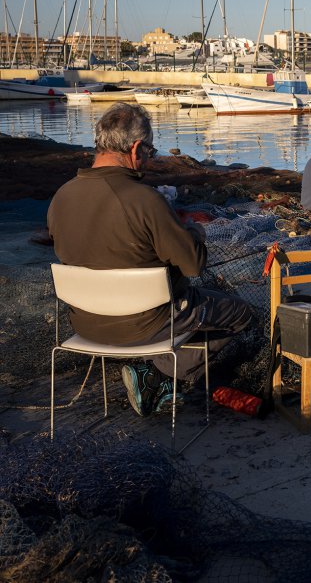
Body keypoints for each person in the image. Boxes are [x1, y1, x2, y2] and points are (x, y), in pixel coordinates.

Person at [47, 103, 253, 417]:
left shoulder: (61, 196)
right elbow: (194, 265)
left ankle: (157, 374)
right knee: (242, 314)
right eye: (150, 151)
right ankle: (159, 374)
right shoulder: (145, 200)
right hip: (146, 324)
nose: (149, 158)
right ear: (136, 148)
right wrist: (194, 231)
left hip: (86, 323)